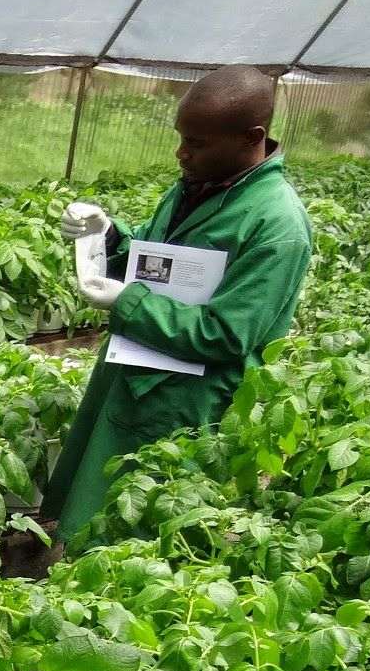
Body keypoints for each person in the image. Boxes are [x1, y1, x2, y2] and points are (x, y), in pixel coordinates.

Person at [42, 64, 312, 542]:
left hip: (189, 399)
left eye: (198, 143)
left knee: (150, 526)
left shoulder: (277, 225)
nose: (182, 153)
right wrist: (108, 237)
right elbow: (157, 262)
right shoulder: (195, 185)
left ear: (253, 137)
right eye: (182, 137)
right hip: (139, 370)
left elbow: (227, 334)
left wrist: (129, 302)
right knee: (100, 507)